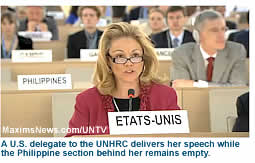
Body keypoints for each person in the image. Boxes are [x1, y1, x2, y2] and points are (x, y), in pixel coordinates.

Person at [66, 22, 180, 136]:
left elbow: (180, 143)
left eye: (135, 55)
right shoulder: (87, 101)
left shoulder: (166, 96)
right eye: (120, 56)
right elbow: (72, 147)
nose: (129, 63)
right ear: (107, 61)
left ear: (144, 58)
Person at [171, 10, 247, 87]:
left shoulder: (237, 51)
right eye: (214, 30)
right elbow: (182, 88)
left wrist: (197, 84)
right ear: (197, 35)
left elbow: (238, 87)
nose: (221, 35)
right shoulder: (181, 54)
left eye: (223, 29)